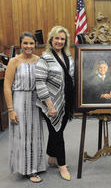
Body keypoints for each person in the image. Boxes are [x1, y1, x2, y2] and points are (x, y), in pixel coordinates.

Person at [4, 32, 46, 183]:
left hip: (35, 101)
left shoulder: (39, 60)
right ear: (20, 44)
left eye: (31, 43)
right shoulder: (14, 61)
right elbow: (7, 87)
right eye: (25, 43)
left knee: (35, 134)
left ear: (35, 45)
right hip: (20, 101)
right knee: (22, 135)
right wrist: (10, 109)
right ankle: (28, 170)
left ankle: (36, 165)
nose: (28, 46)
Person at [35, 26, 74, 181]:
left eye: (62, 39)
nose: (59, 41)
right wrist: (50, 105)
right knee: (57, 133)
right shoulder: (45, 58)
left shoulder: (68, 57)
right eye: (56, 38)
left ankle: (52, 157)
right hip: (51, 102)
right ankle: (62, 165)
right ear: (51, 39)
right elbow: (40, 82)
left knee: (57, 130)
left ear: (66, 41)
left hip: (66, 101)